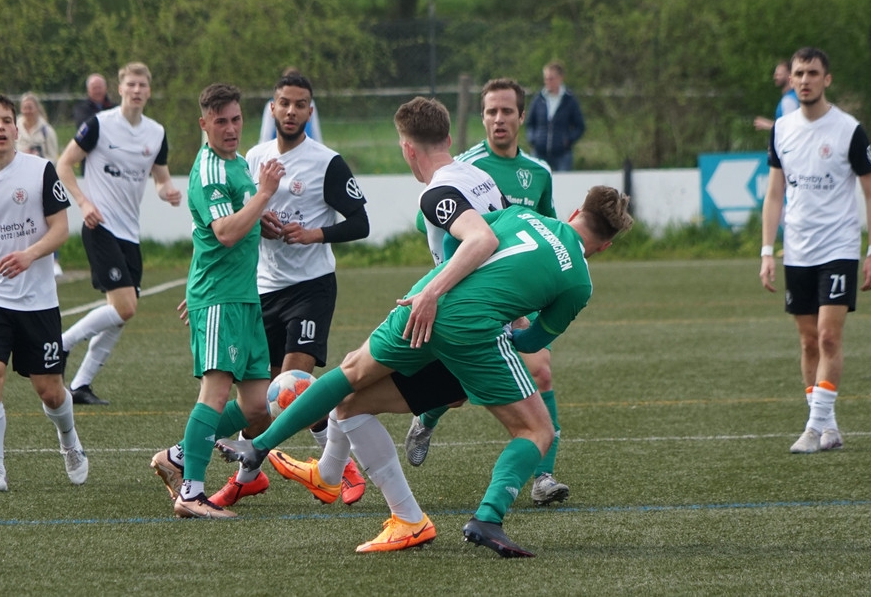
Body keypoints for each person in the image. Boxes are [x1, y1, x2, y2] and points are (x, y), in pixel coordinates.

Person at [217, 188, 633, 557]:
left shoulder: (521, 215)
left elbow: (457, 240)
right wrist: (510, 319)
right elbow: (531, 342)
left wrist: (448, 286)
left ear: (575, 212)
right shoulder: (579, 283)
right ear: (606, 245)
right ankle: (488, 518)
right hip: (472, 331)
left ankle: (260, 446)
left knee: (350, 384)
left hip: (424, 300)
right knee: (536, 431)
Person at [203, 72, 369, 508]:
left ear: (310, 111)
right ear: (272, 108)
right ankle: (248, 478)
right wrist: (259, 223)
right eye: (284, 103)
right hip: (263, 289)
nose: (291, 111)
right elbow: (237, 221)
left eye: (300, 104)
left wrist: (315, 234)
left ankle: (343, 468)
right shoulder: (253, 158)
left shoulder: (327, 163)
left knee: (294, 385)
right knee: (263, 400)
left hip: (311, 288)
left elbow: (360, 223)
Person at [406, 78, 568, 506]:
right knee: (458, 388)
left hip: (516, 293)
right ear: (481, 117)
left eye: (507, 111)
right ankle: (427, 416)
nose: (499, 119)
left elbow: (545, 227)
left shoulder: (538, 173)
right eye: (491, 111)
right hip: (469, 293)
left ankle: (543, 476)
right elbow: (431, 225)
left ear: (521, 116)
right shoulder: (465, 167)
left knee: (541, 370)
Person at [149, 83, 285, 518]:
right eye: (220, 121)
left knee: (257, 406)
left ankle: (178, 455)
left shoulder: (238, 163)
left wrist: (261, 217)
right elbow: (225, 233)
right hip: (220, 297)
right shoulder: (209, 170)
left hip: (243, 297)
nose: (230, 128)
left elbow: (235, 222)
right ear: (204, 124)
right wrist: (264, 195)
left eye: (236, 119)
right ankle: (191, 494)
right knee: (215, 393)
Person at [0, 94, 88, 492]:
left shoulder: (40, 170)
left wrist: (30, 255)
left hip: (38, 301)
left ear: (16, 129)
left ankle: (69, 441)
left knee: (50, 392)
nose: (0, 128)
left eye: (6, 121)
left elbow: (61, 229)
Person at [759, 47, 871, 454]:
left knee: (829, 336)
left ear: (826, 79)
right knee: (808, 342)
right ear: (791, 79)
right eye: (799, 73)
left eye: (813, 73)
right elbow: (774, 193)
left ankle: (813, 429)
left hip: (839, 247)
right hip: (797, 249)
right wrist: (766, 250)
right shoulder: (782, 129)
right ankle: (828, 426)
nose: (805, 80)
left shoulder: (848, 130)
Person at [56, 62, 181, 405]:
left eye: (143, 85)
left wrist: (168, 191)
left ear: (149, 91)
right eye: (131, 84)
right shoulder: (99, 124)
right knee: (125, 307)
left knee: (121, 313)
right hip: (100, 226)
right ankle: (62, 344)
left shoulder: (156, 132)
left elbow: (160, 178)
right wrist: (83, 203)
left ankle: (81, 385)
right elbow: (63, 164)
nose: (137, 90)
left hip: (130, 234)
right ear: (121, 88)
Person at [17, 92, 63, 275]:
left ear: (37, 108)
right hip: (19, 180)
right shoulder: (15, 127)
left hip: (41, 181)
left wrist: (38, 157)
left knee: (47, 219)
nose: (27, 111)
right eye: (25, 108)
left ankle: (54, 260)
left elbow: (54, 157)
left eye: (31, 107)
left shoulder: (46, 130)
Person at [524, 61, 585, 172]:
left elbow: (579, 126)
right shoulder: (538, 99)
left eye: (551, 78)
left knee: (564, 181)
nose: (547, 82)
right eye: (546, 78)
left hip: (562, 154)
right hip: (539, 152)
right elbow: (530, 123)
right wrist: (533, 139)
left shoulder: (569, 100)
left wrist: (568, 140)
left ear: (560, 78)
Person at [258, 67, 322, 144]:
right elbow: (266, 137)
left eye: (299, 106)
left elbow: (316, 133)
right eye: (285, 104)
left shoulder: (310, 104)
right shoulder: (272, 105)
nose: (291, 111)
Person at [753, 60, 800, 132]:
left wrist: (767, 124)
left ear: (789, 76)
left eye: (779, 75)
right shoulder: (792, 96)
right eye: (775, 74)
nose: (775, 77)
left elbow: (789, 129)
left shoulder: (789, 100)